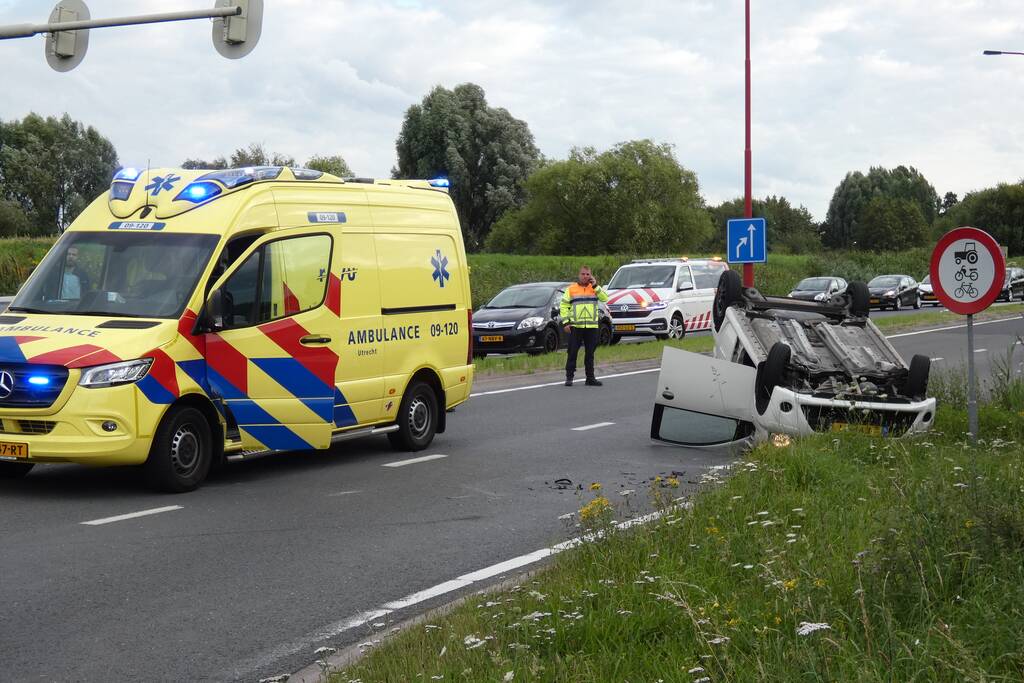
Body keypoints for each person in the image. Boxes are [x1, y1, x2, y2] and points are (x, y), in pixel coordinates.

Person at [560, 265, 609, 387]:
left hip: (591, 327)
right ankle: (569, 377)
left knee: (590, 354)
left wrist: (596, 286)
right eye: (583, 274)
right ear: (579, 275)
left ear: (590, 276)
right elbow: (564, 306)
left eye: (588, 274)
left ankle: (590, 378)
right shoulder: (571, 289)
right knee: (572, 352)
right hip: (576, 326)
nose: (585, 276)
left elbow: (605, 298)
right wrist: (566, 322)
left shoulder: (595, 288)